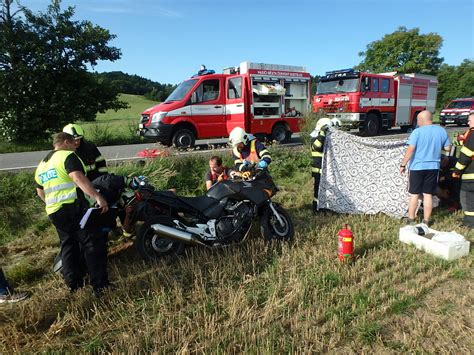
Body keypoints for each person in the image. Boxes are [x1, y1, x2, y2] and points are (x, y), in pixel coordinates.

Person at [35, 132, 110, 295]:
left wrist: (52, 203)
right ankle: (100, 286)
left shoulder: (43, 163)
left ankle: (74, 284)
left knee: (68, 245)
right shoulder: (67, 156)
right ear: (66, 142)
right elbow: (77, 178)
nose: (76, 146)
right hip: (73, 208)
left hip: (54, 211)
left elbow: (39, 191)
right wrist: (97, 196)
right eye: (73, 143)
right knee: (92, 244)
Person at [400, 110, 451, 225]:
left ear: (421, 120)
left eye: (418, 120)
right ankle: (426, 221)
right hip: (433, 167)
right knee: (428, 194)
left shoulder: (416, 132)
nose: (417, 123)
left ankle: (411, 220)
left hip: (417, 167)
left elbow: (410, 150)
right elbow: (448, 148)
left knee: (414, 194)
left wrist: (403, 164)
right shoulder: (441, 131)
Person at [310, 117, 338, 212]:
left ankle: (326, 207)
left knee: (326, 190)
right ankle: (316, 208)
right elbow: (317, 147)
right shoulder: (315, 137)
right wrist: (322, 133)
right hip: (318, 170)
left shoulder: (324, 138)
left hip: (325, 170)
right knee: (318, 190)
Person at [452, 112, 474, 228]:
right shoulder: (470, 135)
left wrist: (457, 171)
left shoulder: (473, 134)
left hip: (471, 176)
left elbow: (465, 155)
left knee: (468, 198)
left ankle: (470, 223)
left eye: (470, 120)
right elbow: (465, 142)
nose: (468, 122)